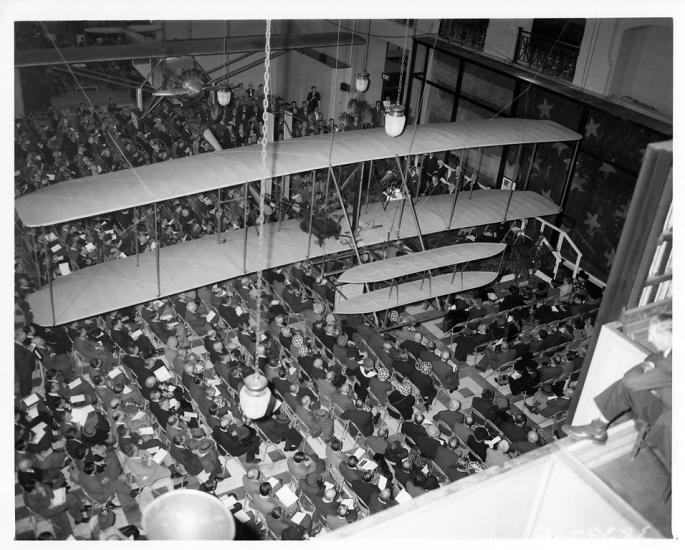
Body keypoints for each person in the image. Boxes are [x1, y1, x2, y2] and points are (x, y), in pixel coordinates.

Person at [562, 314, 672, 465]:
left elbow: (630, 380)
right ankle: (597, 427)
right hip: (667, 402)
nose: (650, 339)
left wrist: (645, 367)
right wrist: (648, 365)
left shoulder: (671, 365)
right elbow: (653, 358)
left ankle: (597, 428)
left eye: (653, 335)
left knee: (624, 386)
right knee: (627, 385)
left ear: (668, 335)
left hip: (669, 419)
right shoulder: (672, 351)